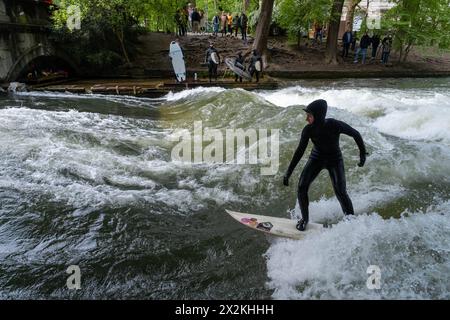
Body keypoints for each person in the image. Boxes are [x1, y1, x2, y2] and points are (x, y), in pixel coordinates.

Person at [283, 99, 367, 231]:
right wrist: (289, 172)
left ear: (318, 116)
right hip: (316, 158)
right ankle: (304, 219)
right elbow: (299, 151)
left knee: (341, 192)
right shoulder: (308, 130)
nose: (306, 119)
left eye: (309, 116)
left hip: (335, 159)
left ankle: (351, 222)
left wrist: (362, 154)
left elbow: (355, 134)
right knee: (301, 187)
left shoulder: (334, 124)